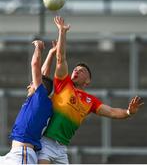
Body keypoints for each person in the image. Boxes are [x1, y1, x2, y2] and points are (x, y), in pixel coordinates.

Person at [38, 16, 144, 164]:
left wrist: (128, 112)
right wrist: (62, 32)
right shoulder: (64, 83)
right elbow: (61, 58)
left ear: (88, 81)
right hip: (46, 142)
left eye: (81, 71)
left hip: (62, 148)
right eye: (75, 69)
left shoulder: (90, 101)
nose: (76, 71)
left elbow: (112, 112)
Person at [0, 40, 56, 164]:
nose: (28, 86)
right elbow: (43, 76)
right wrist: (51, 53)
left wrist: (39, 48)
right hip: (14, 153)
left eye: (31, 84)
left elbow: (35, 64)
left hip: (22, 154)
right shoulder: (40, 100)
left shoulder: (40, 98)